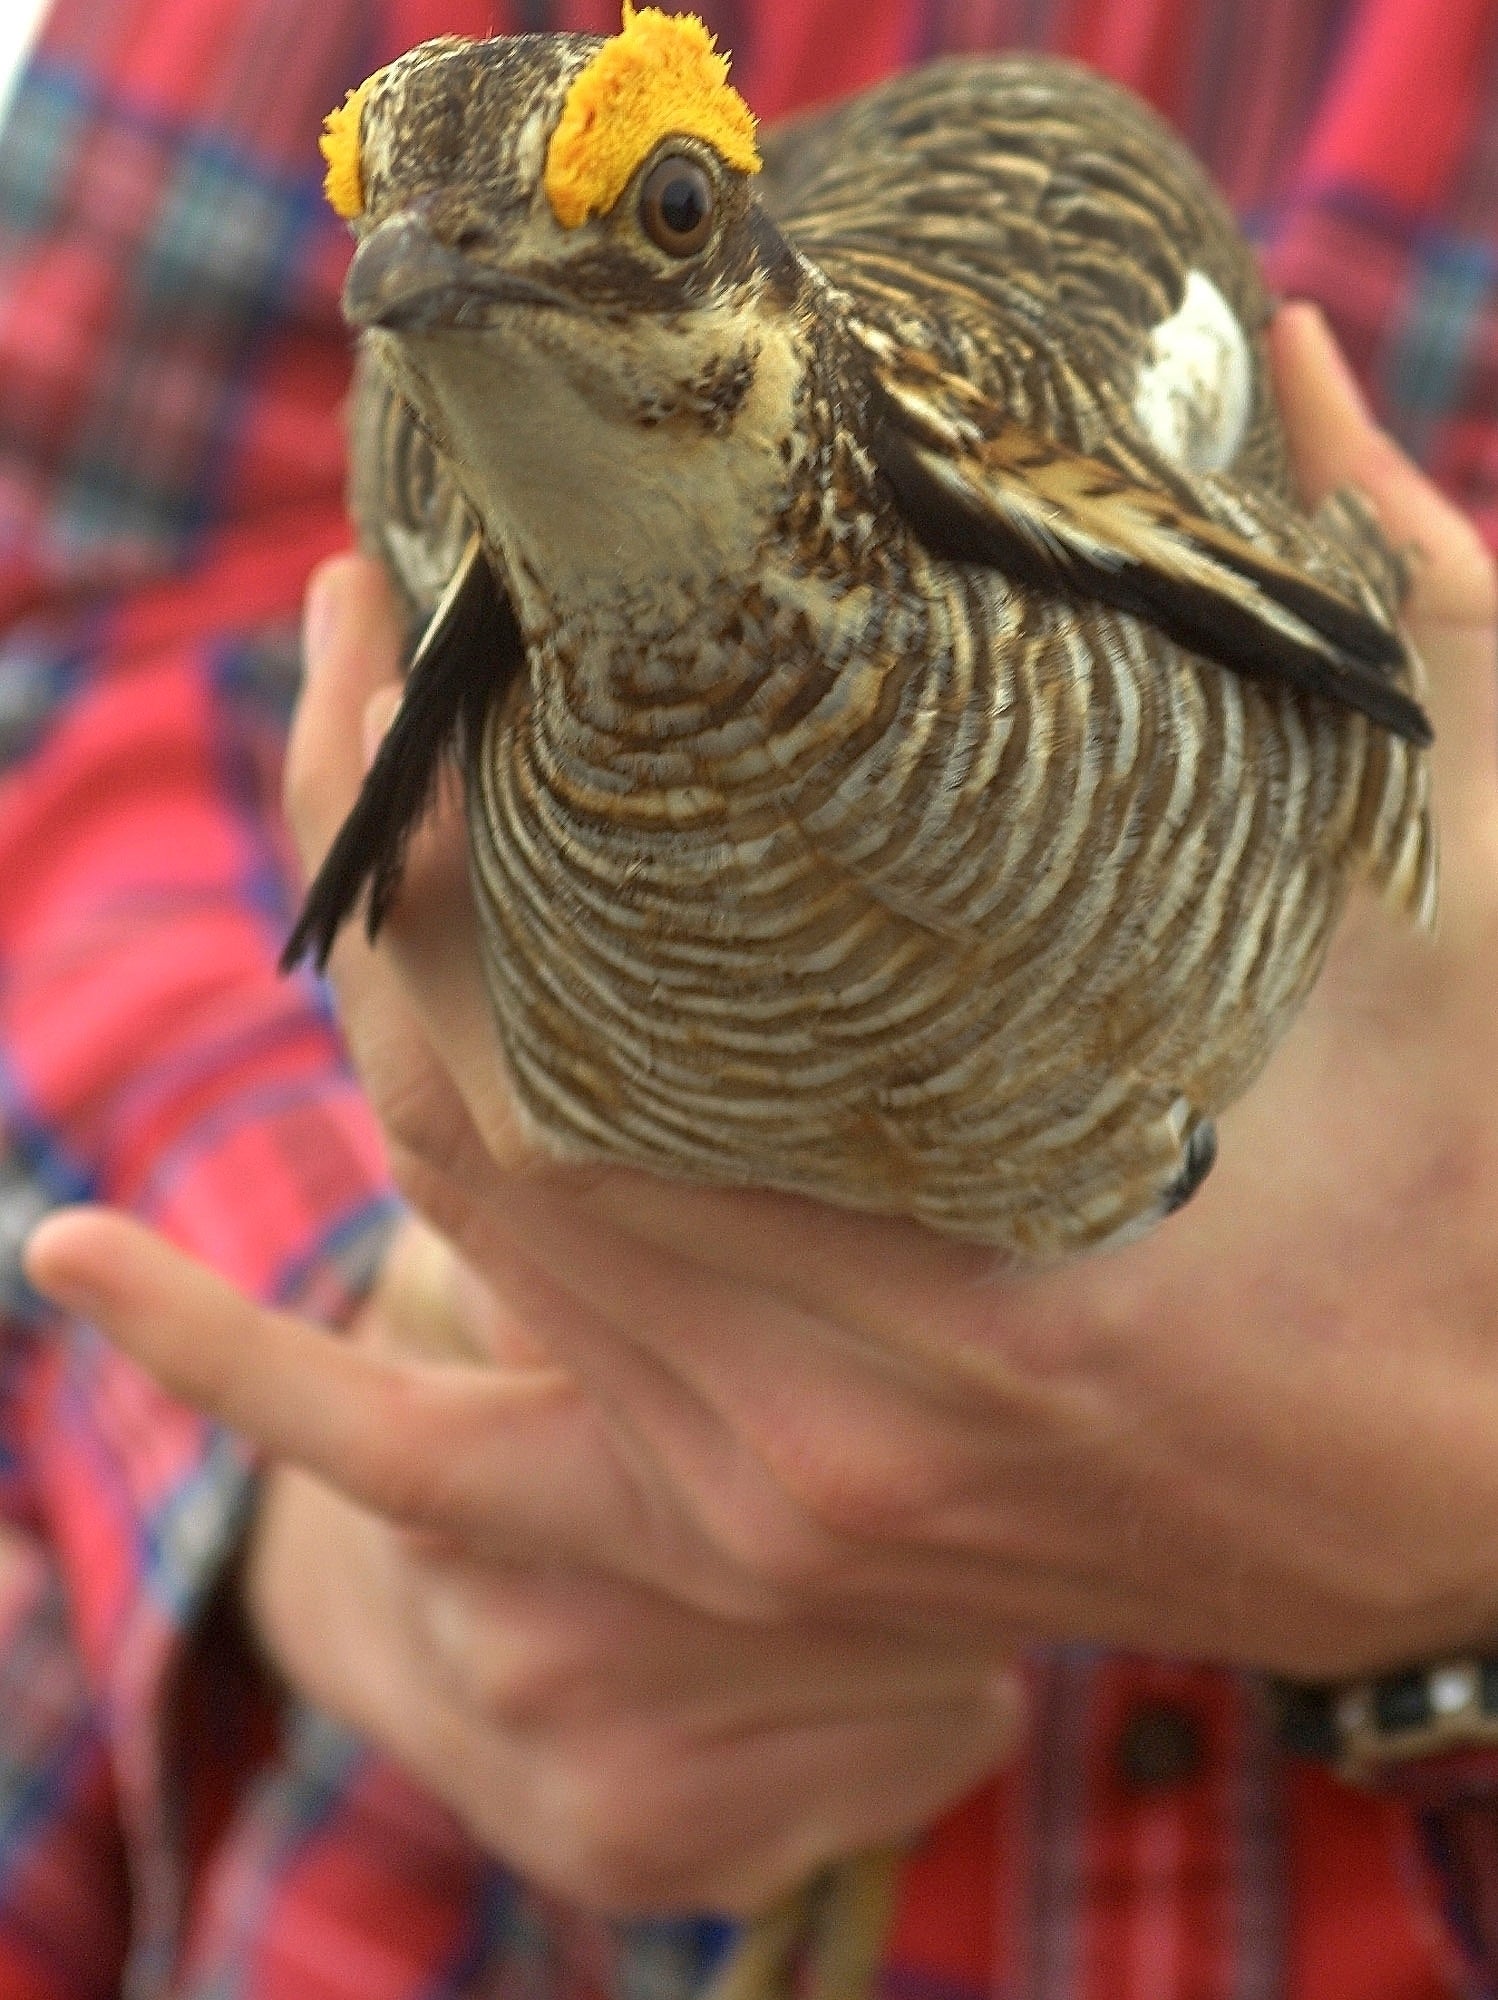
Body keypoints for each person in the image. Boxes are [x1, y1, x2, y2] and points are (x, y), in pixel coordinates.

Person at [2, 1, 1497, 1996]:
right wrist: (373, 1406)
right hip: (494, 1888)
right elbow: (83, 613)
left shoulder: (1103, 297)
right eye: (395, 235)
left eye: (665, 212)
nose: (425, 276)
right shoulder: (444, 437)